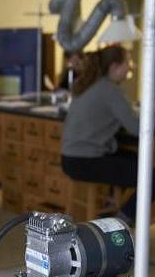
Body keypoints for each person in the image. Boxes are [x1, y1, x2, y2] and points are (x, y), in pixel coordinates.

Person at [61, 44, 143, 225]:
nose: (131, 67)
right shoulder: (111, 90)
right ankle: (120, 220)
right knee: (149, 176)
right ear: (114, 67)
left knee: (134, 160)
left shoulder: (90, 84)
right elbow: (137, 128)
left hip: (71, 159)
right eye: (127, 63)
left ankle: (112, 205)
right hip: (86, 162)